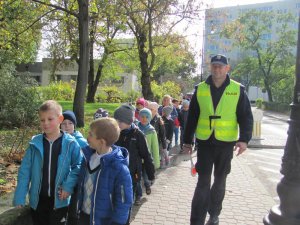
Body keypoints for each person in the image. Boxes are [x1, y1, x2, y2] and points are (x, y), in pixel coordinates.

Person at [183, 54, 253, 225]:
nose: (217, 69)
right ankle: (197, 220)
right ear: (210, 67)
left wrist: (244, 139)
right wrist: (187, 141)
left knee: (220, 181)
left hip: (226, 143)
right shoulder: (200, 89)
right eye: (214, 65)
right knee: (203, 182)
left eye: (221, 66)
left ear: (227, 68)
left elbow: (246, 117)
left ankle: (214, 214)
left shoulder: (238, 89)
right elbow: (192, 117)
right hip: (205, 143)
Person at [13, 100, 82, 225]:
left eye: (50, 119)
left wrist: (68, 186)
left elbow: (79, 166)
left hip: (60, 200)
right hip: (38, 200)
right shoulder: (34, 144)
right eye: (42, 120)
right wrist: (20, 196)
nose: (45, 123)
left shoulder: (71, 143)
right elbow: (25, 171)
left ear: (60, 119)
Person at [76, 117, 133, 225]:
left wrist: (117, 222)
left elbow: (124, 200)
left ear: (101, 141)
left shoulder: (119, 168)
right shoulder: (87, 158)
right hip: (84, 216)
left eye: (91, 135)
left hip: (104, 221)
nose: (87, 137)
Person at [113, 105, 155, 221]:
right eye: (116, 120)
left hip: (132, 175)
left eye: (119, 121)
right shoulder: (114, 132)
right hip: (115, 174)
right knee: (115, 201)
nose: (117, 123)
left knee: (126, 202)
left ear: (128, 121)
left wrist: (151, 175)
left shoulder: (138, 135)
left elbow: (146, 156)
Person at [136, 108, 160, 199]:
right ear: (139, 117)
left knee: (146, 176)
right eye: (142, 117)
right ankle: (138, 195)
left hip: (147, 159)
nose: (144, 119)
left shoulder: (152, 130)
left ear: (150, 118)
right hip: (137, 159)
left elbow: (155, 147)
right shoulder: (136, 129)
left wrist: (156, 162)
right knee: (137, 178)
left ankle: (147, 186)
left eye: (147, 117)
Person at [147, 102, 167, 169]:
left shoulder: (159, 120)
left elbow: (162, 134)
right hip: (147, 142)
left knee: (155, 157)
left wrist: (164, 147)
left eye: (151, 109)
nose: (149, 110)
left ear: (155, 110)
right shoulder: (145, 118)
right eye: (148, 108)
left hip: (156, 142)